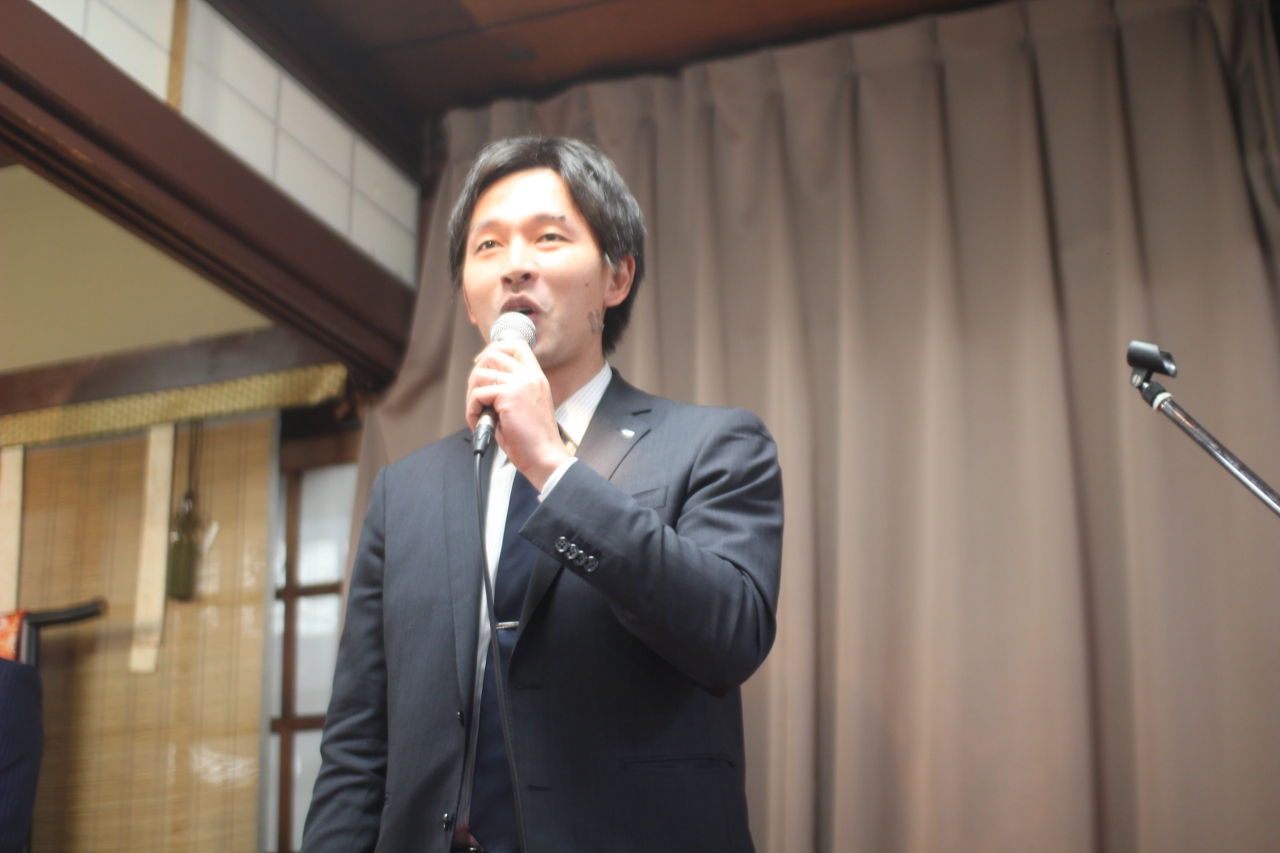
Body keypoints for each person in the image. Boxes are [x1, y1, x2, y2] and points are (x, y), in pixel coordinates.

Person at [302, 137, 783, 853]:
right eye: (487, 245)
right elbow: (357, 745)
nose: (515, 265)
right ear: (470, 302)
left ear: (616, 277)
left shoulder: (714, 444)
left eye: (549, 237)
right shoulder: (405, 491)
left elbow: (729, 636)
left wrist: (551, 466)